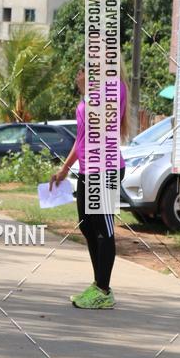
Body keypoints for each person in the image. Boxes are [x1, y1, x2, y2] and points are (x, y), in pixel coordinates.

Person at [50, 64, 128, 309]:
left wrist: (87, 91)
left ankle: (103, 291)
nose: (79, 73)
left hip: (106, 169)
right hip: (89, 170)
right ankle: (99, 286)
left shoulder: (116, 88)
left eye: (85, 68)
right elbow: (82, 138)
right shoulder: (90, 97)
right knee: (87, 225)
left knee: (104, 228)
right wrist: (64, 169)